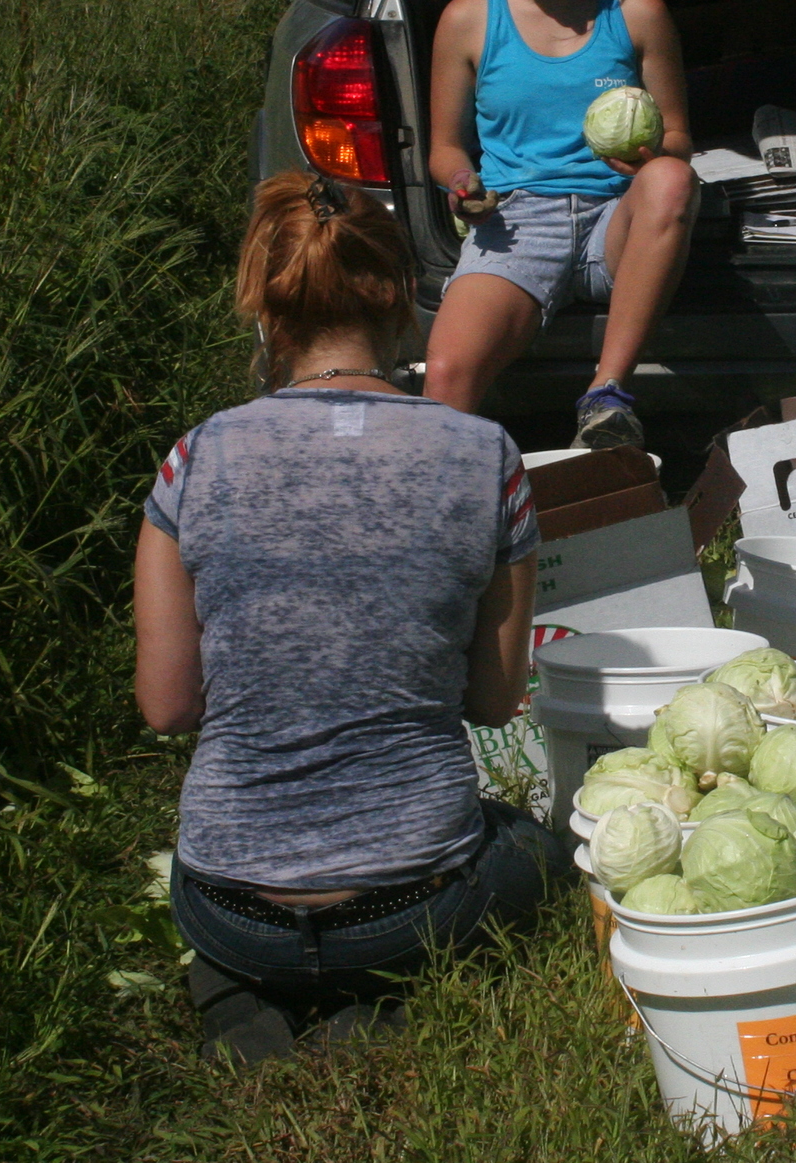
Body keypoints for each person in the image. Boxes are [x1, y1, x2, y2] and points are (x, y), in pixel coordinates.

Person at [135, 171, 561, 1061]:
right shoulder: (486, 457)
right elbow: (492, 701)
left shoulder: (193, 461)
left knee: (230, 917)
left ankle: (237, 993)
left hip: (228, 902)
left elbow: (168, 706)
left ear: (265, 311)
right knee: (531, 847)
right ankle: (381, 1006)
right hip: (412, 907)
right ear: (405, 297)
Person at [422, 0, 697, 449]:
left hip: (617, 213)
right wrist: (463, 182)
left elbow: (681, 138)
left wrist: (649, 155)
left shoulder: (637, 10)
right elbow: (441, 147)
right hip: (516, 219)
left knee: (671, 180)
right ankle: (459, 528)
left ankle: (607, 396)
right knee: (444, 377)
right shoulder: (468, 17)